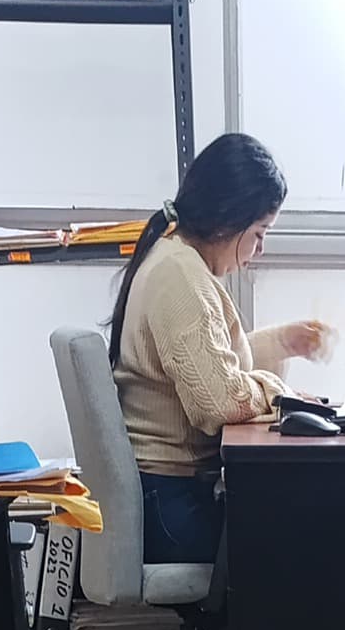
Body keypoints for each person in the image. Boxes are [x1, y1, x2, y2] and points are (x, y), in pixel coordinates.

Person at [110, 131, 329, 563]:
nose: (260, 249)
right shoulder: (180, 278)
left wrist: (282, 342)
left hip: (164, 498)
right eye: (260, 232)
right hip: (172, 508)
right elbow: (217, 403)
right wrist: (281, 396)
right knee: (307, 544)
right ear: (229, 221)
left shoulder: (176, 258)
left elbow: (208, 361)